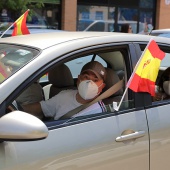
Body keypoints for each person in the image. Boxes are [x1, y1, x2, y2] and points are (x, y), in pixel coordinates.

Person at [22, 61, 107, 120]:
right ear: (78, 79)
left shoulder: (100, 111)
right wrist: (17, 108)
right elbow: (41, 108)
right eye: (86, 77)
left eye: (95, 80)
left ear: (102, 86)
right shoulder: (65, 95)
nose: (89, 83)